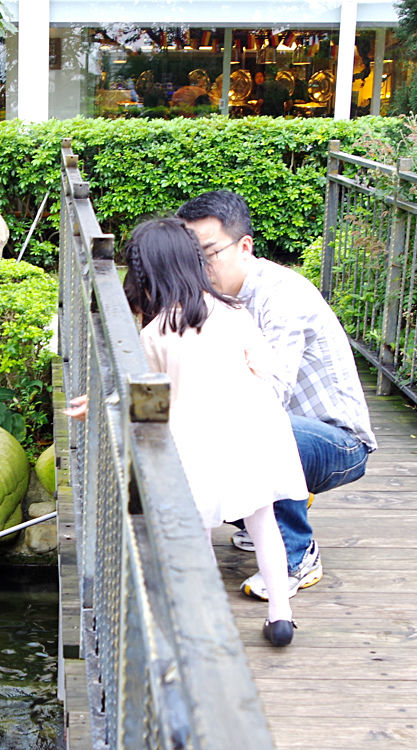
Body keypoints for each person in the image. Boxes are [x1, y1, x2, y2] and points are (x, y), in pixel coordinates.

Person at [175, 190, 376, 601]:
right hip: (291, 427)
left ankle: (297, 555)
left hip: (337, 441)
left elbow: (270, 394)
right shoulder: (218, 299)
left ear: (244, 246)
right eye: (191, 256)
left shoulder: (281, 296)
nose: (201, 267)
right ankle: (256, 522)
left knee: (240, 429)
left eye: (209, 253)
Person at [122, 216, 309, 646]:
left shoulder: (155, 333)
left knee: (199, 528)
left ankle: (208, 618)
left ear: (148, 272)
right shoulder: (232, 311)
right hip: (253, 429)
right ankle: (281, 615)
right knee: (263, 521)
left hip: (195, 438)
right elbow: (265, 366)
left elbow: (149, 398)